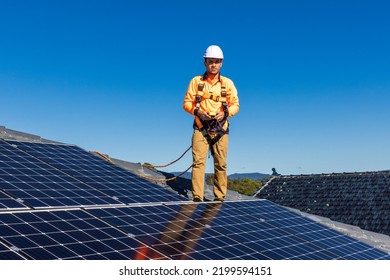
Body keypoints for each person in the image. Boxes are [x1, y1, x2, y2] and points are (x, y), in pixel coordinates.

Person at [183, 45, 240, 202]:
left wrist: (226, 113)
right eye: (210, 61)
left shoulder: (227, 84)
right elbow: (187, 102)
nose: (213, 65)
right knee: (198, 163)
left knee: (221, 164)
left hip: (221, 129)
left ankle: (219, 198)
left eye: (216, 61)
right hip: (201, 128)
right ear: (205, 62)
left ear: (221, 63)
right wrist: (197, 112)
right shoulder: (196, 82)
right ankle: (197, 197)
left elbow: (235, 104)